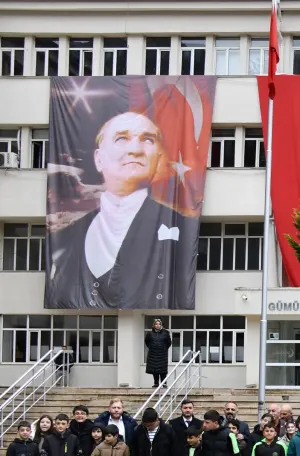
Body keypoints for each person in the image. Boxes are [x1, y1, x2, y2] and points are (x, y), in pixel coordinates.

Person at [46, 110, 199, 310]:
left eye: (148, 140)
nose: (135, 150)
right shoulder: (66, 237)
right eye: (121, 139)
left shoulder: (182, 227)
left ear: (158, 158)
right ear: (99, 159)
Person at [142, 318, 172, 387]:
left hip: (162, 354)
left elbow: (169, 343)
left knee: (162, 369)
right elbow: (147, 341)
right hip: (153, 354)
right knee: (154, 369)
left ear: (161, 325)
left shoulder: (165, 333)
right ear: (154, 325)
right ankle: (156, 383)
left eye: (159, 324)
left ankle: (164, 383)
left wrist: (164, 348)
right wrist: (152, 347)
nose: (157, 325)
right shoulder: (150, 333)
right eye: (156, 324)